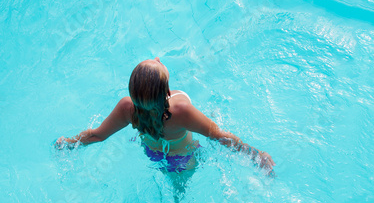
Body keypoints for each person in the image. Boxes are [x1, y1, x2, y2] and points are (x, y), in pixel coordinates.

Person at [55, 57, 275, 174]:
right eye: (157, 64)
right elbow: (219, 136)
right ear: (167, 91)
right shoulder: (180, 110)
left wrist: (68, 142)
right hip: (183, 159)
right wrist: (256, 155)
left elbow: (97, 136)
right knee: (179, 201)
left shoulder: (127, 107)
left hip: (151, 152)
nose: (158, 58)